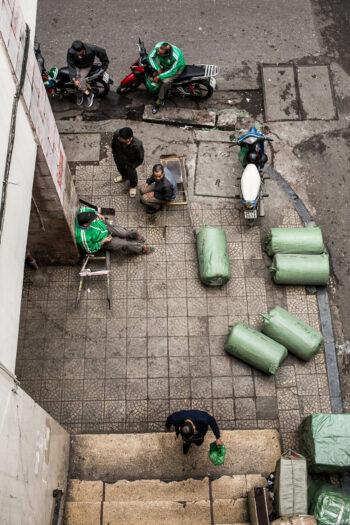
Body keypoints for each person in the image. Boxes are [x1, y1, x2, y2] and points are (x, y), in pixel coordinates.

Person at [75, 206, 154, 255]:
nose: (94, 218)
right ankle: (140, 249)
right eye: (92, 220)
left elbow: (85, 208)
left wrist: (97, 214)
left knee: (124, 232)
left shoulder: (82, 212)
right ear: (85, 224)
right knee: (125, 244)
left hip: (105, 227)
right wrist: (103, 242)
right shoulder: (83, 238)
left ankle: (135, 235)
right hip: (105, 240)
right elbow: (90, 250)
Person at [67, 40, 109, 108]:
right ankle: (79, 94)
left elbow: (102, 51)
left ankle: (88, 94)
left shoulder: (91, 48)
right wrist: (73, 79)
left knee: (80, 80)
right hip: (76, 66)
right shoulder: (71, 51)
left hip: (86, 66)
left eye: (76, 52)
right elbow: (70, 65)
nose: (74, 53)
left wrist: (104, 66)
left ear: (82, 50)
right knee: (76, 80)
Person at [148, 42, 185, 114]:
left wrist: (160, 76)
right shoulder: (159, 47)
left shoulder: (176, 57)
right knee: (153, 73)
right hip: (164, 65)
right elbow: (150, 57)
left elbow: (173, 71)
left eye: (160, 53)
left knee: (165, 82)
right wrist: (158, 69)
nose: (157, 53)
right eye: (158, 51)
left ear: (167, 54)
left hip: (176, 69)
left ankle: (159, 100)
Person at [112, 128, 144, 198]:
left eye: (120, 138)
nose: (118, 138)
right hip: (119, 158)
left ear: (128, 140)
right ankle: (124, 177)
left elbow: (140, 159)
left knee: (131, 173)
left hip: (130, 162)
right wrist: (115, 154)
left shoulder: (137, 145)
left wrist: (132, 166)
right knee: (120, 169)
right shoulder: (117, 134)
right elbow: (113, 145)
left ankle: (133, 185)